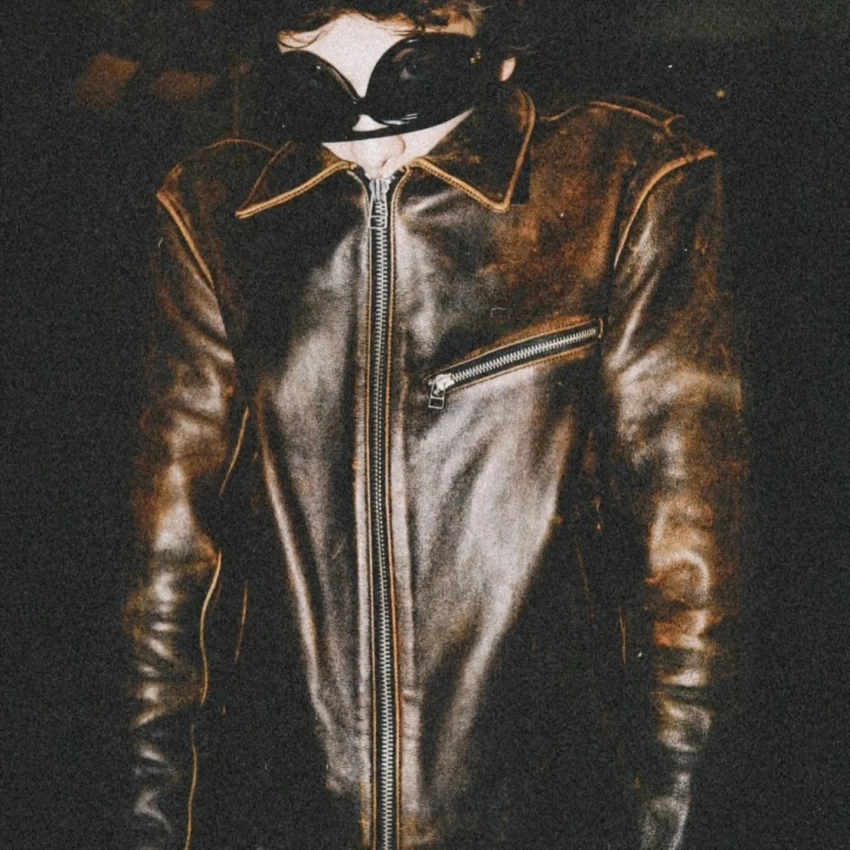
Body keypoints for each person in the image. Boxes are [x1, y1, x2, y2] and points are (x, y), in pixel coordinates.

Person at [125, 2, 744, 849]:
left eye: (413, 79)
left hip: (548, 814)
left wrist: (674, 825)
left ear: (499, 58)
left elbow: (690, 573)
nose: (370, 145)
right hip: (284, 814)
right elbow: (168, 569)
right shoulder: (215, 215)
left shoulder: (624, 182)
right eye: (317, 90)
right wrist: (155, 824)